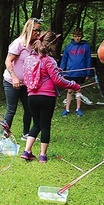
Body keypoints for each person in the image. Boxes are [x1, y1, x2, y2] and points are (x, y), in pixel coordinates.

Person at [20, 31, 80, 163]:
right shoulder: (49, 60)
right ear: (51, 45)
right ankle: (42, 155)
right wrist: (73, 85)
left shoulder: (29, 59)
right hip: (47, 97)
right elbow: (58, 81)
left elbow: (27, 77)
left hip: (31, 97)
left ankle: (27, 151)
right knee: (45, 125)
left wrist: (55, 71)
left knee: (36, 124)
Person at [2, 17, 41, 141]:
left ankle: (26, 134)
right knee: (11, 110)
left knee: (29, 109)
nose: (38, 33)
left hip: (26, 84)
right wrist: (14, 77)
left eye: (39, 30)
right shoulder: (19, 43)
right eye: (36, 30)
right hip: (11, 81)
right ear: (29, 29)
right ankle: (3, 136)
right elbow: (8, 61)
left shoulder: (35, 45)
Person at [59, 28, 92, 117]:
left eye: (79, 36)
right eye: (75, 36)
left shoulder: (86, 47)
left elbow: (89, 60)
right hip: (70, 73)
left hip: (81, 73)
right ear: (73, 36)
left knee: (79, 90)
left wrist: (88, 73)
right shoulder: (68, 47)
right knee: (69, 90)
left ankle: (78, 108)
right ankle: (67, 109)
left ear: (82, 36)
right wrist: (62, 71)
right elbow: (64, 60)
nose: (77, 38)